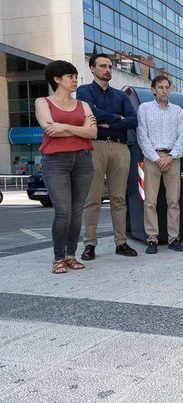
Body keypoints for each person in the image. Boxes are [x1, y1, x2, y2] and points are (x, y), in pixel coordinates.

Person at [34, 60, 97, 273]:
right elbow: (50, 129)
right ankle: (58, 258)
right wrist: (79, 128)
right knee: (63, 211)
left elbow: (93, 133)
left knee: (77, 211)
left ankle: (71, 255)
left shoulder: (83, 104)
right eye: (70, 76)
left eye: (75, 76)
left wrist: (65, 126)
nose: (75, 80)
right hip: (55, 161)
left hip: (83, 160)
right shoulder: (42, 102)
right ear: (57, 79)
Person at [77, 53, 139, 260]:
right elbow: (90, 114)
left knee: (119, 199)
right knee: (92, 198)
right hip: (95, 147)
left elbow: (133, 120)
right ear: (92, 69)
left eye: (110, 67)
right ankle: (89, 245)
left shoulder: (121, 96)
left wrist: (108, 121)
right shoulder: (84, 91)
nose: (107, 70)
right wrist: (117, 119)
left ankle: (121, 243)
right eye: (103, 66)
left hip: (121, 148)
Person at [136, 75, 183, 254]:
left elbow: (182, 136)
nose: (164, 91)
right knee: (150, 201)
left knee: (174, 201)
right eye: (160, 87)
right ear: (153, 89)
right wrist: (157, 158)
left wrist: (171, 157)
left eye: (167, 87)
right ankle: (152, 239)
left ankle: (174, 238)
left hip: (173, 158)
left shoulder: (178, 110)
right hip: (152, 158)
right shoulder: (145, 109)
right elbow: (142, 135)